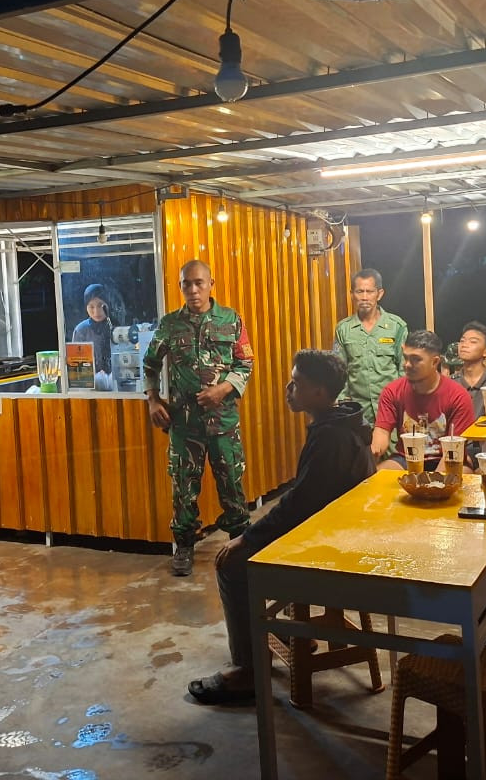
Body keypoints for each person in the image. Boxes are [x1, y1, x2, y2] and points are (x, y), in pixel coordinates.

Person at [187, 350, 372, 705]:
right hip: (335, 532)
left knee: (231, 564)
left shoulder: (331, 438)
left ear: (319, 392)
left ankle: (248, 671)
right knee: (253, 542)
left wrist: (247, 538)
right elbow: (303, 498)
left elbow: (300, 504)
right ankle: (293, 634)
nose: (288, 389)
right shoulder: (341, 422)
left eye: (296, 383)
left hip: (336, 548)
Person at [144, 259, 254, 577]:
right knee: (183, 488)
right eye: (186, 284)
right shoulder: (170, 324)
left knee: (231, 484)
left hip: (223, 423)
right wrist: (153, 400)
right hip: (184, 424)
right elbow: (150, 364)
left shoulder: (230, 320)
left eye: (199, 283)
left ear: (210, 284)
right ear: (180, 287)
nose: (193, 290)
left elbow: (245, 363)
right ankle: (184, 546)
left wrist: (223, 389)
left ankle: (240, 545)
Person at [372, 330, 475, 471]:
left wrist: (432, 481)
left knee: (459, 475)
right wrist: (373, 451)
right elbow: (382, 432)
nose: (407, 365)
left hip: (448, 456)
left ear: (435, 362)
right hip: (406, 457)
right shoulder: (392, 391)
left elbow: (455, 449)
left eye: (416, 359)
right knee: (379, 475)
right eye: (406, 358)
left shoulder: (458, 395)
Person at [331, 268, 407, 425]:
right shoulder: (343, 329)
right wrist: (342, 405)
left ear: (379, 294)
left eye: (370, 291)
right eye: (359, 291)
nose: (364, 297)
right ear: (352, 294)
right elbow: (338, 370)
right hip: (357, 413)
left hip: (391, 410)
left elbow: (404, 369)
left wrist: (402, 403)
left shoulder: (396, 326)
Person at [72, 283, 115, 389]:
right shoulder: (81, 330)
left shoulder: (116, 327)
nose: (96, 311)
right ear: (86, 307)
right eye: (91, 306)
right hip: (90, 385)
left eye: (100, 305)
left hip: (116, 383)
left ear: (108, 304)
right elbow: (76, 365)